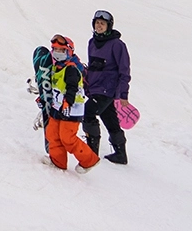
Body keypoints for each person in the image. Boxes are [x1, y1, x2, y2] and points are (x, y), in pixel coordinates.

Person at [45, 34, 101, 173]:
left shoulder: (71, 69)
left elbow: (72, 88)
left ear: (69, 51)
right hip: (57, 106)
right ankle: (58, 161)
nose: (58, 53)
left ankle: (89, 160)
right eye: (55, 50)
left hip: (71, 109)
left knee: (67, 138)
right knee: (52, 134)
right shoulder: (55, 67)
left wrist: (67, 103)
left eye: (62, 50)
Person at [83, 9, 132, 164]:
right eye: (97, 23)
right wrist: (87, 85)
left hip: (107, 89)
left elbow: (124, 70)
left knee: (88, 113)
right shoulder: (92, 42)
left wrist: (123, 94)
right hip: (96, 88)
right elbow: (92, 67)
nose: (99, 26)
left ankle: (91, 153)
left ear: (108, 26)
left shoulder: (117, 45)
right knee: (109, 117)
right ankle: (120, 154)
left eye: (102, 23)